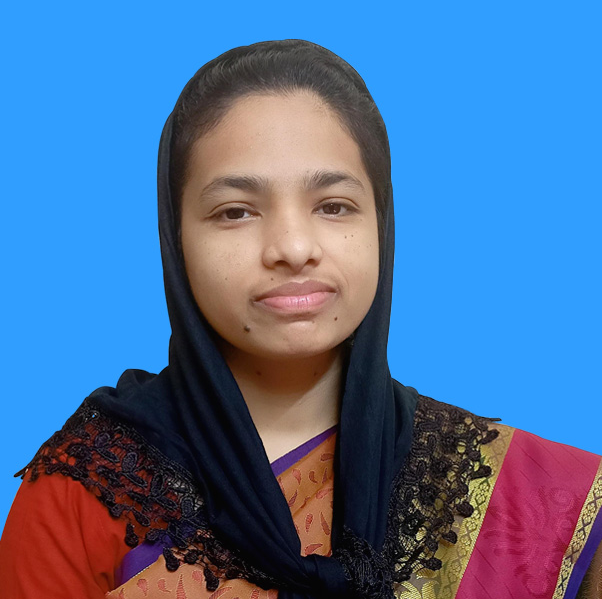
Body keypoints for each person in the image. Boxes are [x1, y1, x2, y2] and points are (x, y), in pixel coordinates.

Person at [0, 39, 600, 599]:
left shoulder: (538, 500)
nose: (292, 247)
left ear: (381, 225)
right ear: (175, 240)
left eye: (333, 206)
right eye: (236, 212)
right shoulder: (83, 493)